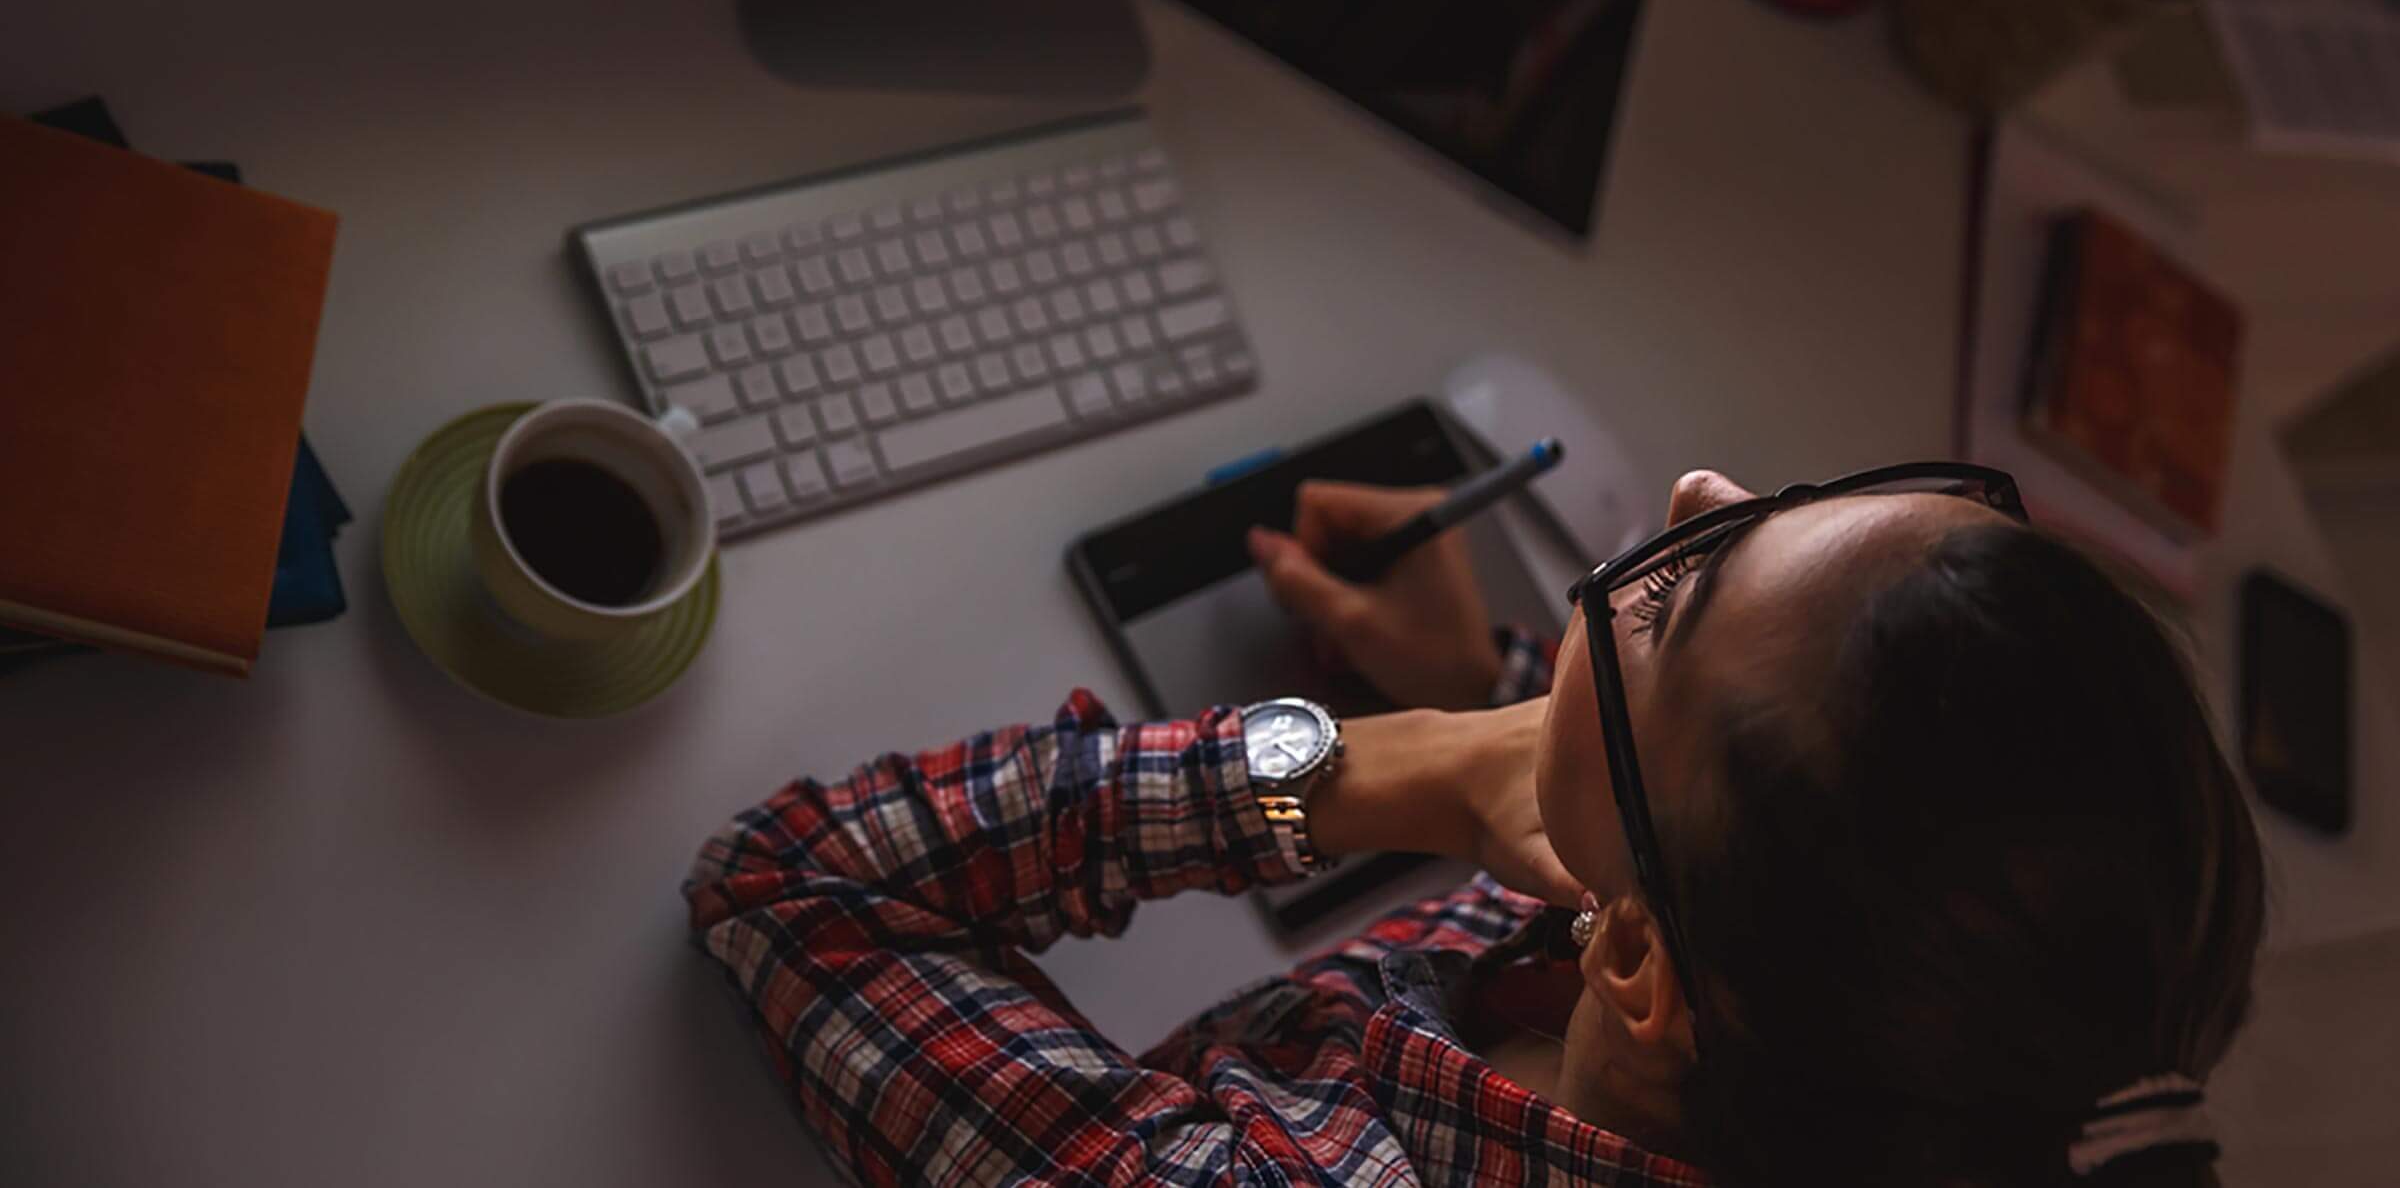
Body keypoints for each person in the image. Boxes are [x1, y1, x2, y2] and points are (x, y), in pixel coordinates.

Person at [685, 463, 2263, 1188]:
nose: (1698, 482)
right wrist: (1513, 684)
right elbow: (1801, 833)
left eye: (1676, 590)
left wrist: (1415, 759)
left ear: (1636, 959)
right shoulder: (1821, 1024)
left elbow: (792, 878)